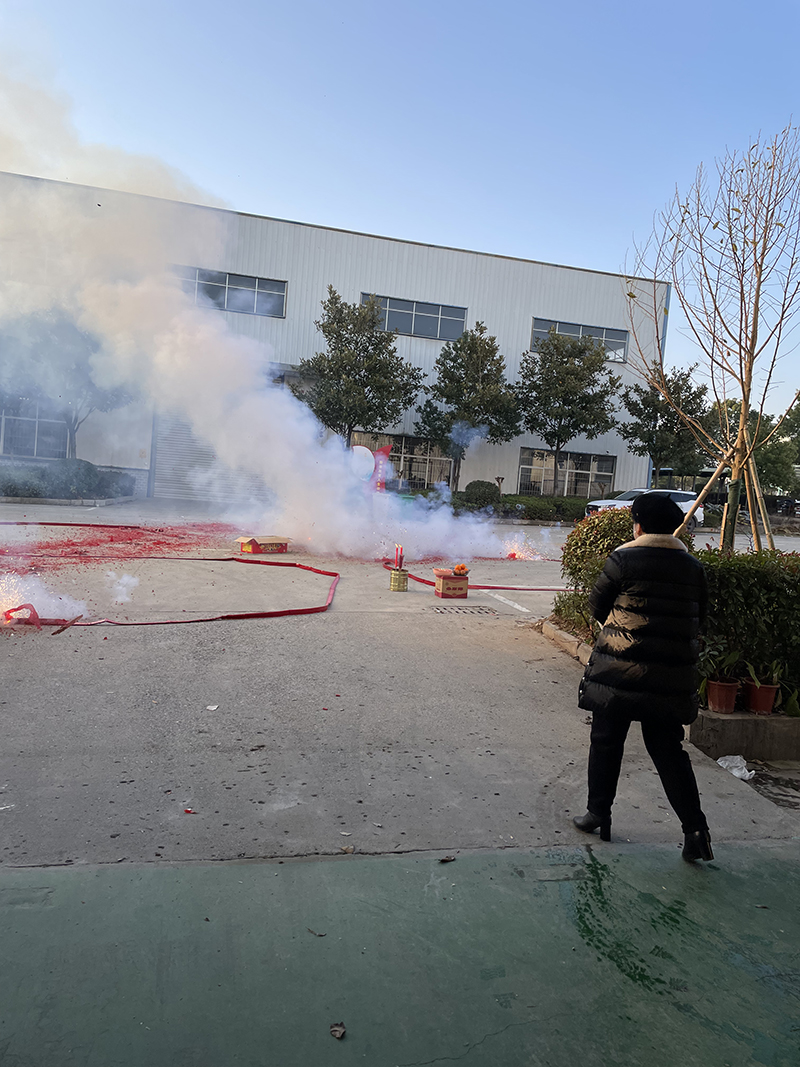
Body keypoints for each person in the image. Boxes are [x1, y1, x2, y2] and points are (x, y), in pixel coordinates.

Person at [572, 492, 713, 862]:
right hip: (669, 677)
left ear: (638, 525)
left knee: (606, 741)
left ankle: (598, 814)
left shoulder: (623, 559)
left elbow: (597, 606)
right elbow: (701, 616)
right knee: (668, 750)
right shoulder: (692, 567)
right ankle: (695, 830)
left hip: (618, 670)